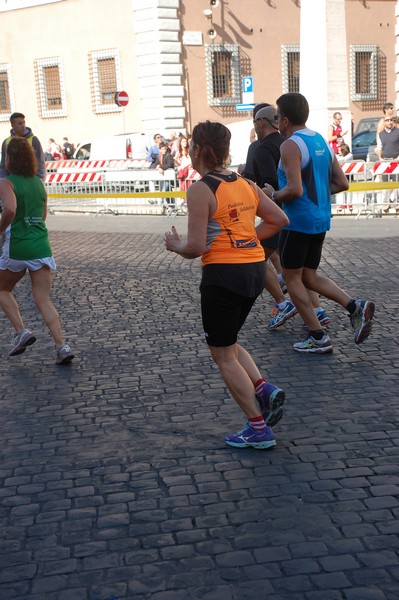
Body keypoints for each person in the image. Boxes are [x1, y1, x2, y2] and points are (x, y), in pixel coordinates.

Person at [164, 120, 289, 450]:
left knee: (221, 355)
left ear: (196, 150)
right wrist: (246, 240)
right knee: (229, 344)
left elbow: (194, 248)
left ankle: (257, 427)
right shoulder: (246, 184)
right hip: (252, 272)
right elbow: (279, 220)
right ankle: (262, 387)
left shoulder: (200, 189)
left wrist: (173, 244)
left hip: (223, 276)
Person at [263, 93, 375, 354]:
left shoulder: (290, 145)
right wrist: (319, 195)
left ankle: (318, 337)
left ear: (286, 119)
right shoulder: (320, 140)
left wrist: (272, 195)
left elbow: (294, 190)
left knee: (292, 280)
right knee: (308, 276)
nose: (277, 121)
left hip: (297, 221)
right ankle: (354, 306)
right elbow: (343, 183)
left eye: (278, 117)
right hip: (320, 219)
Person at [0, 137, 74, 364]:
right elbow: (43, 215)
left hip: (18, 247)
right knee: (43, 299)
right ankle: (62, 346)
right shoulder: (38, 183)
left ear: (9, 159)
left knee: (2, 289)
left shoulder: (7, 183)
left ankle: (22, 331)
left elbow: (10, 209)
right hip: (41, 245)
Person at [251, 105, 297, 330]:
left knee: (256, 257)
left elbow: (269, 184)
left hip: (276, 215)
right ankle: (317, 311)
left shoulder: (261, 149)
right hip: (297, 213)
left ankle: (282, 304)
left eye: (255, 123)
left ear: (261, 123)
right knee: (299, 270)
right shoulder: (289, 143)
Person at [0, 112, 46, 181]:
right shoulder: (6, 142)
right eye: (19, 123)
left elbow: (40, 161)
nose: (23, 126)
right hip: (13, 182)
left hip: (31, 180)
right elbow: (3, 165)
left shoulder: (34, 140)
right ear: (12, 125)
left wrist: (39, 179)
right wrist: (3, 180)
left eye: (24, 122)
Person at [375, 115, 399, 212]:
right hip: (385, 161)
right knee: (385, 184)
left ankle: (397, 203)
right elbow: (379, 147)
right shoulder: (381, 134)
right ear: (384, 122)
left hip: (396, 160)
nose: (389, 122)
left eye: (391, 120)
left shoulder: (397, 132)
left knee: (397, 183)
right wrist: (380, 157)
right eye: (387, 120)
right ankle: (386, 203)